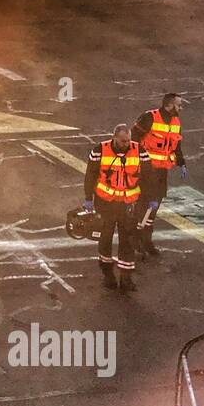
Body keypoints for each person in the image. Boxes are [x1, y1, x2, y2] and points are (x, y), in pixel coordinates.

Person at [83, 123, 142, 292]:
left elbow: (146, 175)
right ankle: (108, 274)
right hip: (106, 203)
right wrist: (88, 197)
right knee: (105, 238)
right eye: (123, 141)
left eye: (129, 141)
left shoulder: (138, 150)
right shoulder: (99, 151)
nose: (126, 144)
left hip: (128, 204)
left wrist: (150, 197)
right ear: (114, 138)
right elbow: (90, 175)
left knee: (128, 240)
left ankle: (126, 278)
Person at [131, 92, 187, 259]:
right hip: (146, 171)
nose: (180, 108)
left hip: (161, 171)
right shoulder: (149, 117)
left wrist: (182, 162)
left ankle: (146, 240)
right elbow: (134, 138)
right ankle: (135, 240)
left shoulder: (176, 122)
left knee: (154, 207)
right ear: (169, 105)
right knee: (142, 205)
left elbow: (176, 145)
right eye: (178, 105)